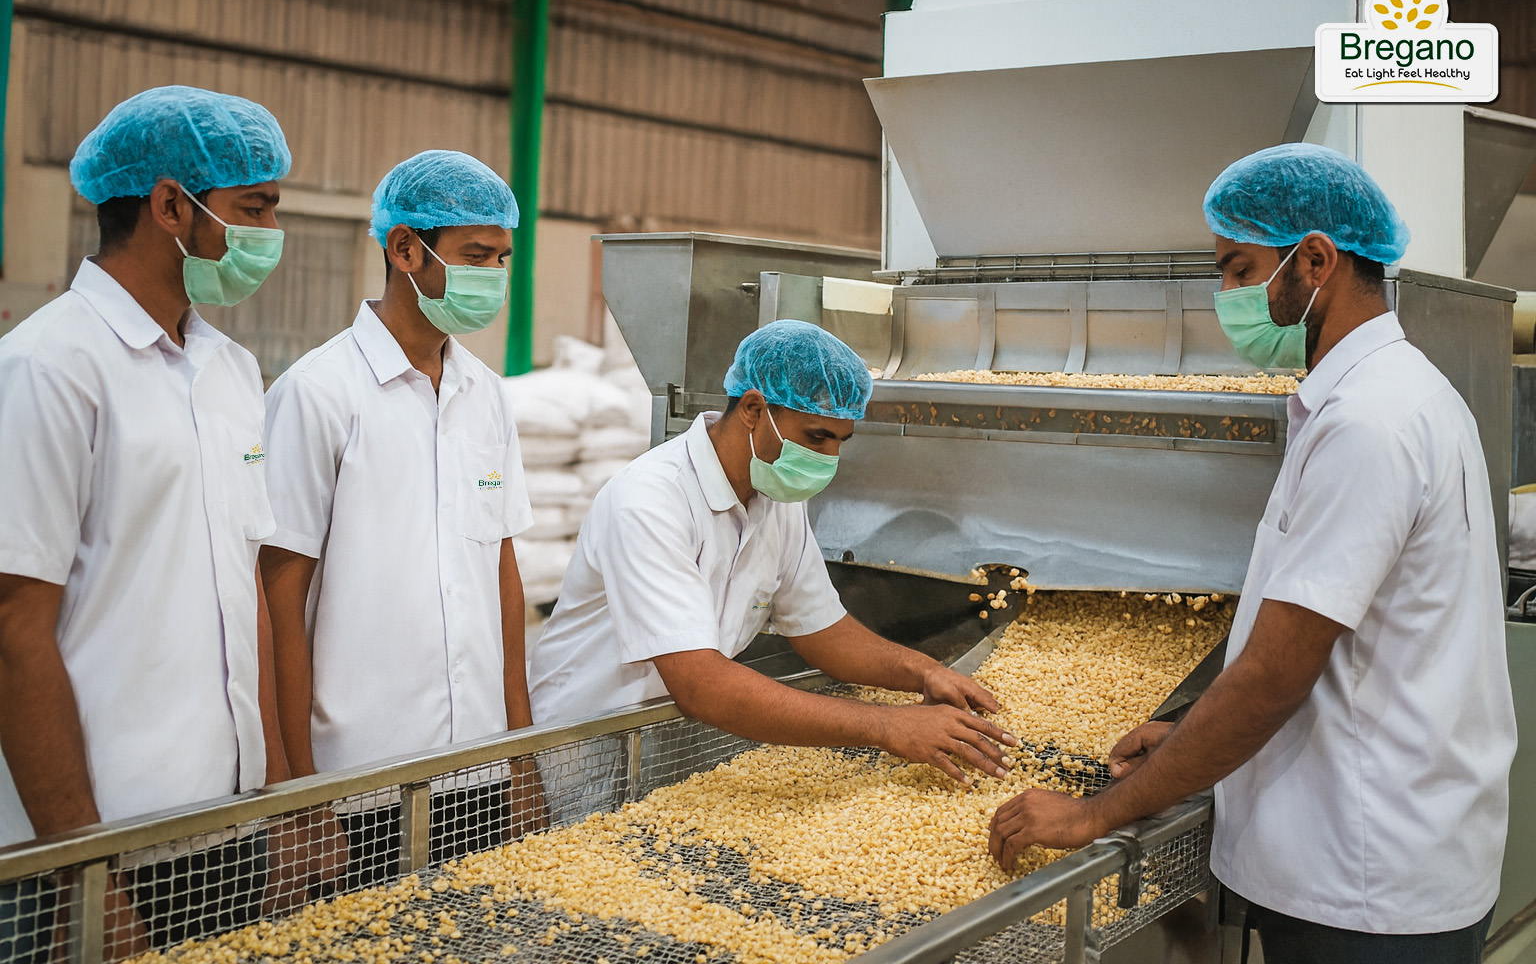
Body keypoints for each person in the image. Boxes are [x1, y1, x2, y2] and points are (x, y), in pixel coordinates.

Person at [987, 143, 1516, 963]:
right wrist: (1196, 734)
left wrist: (1094, 815)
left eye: (1240, 270)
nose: (1227, 297)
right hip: (1390, 853)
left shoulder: (1367, 425)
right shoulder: (1406, 395)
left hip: (1365, 884)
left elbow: (1275, 675)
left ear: (1315, 259)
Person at [0, 86, 302, 959]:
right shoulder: (49, 371)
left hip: (224, 828)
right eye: (255, 209)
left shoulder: (231, 371)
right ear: (172, 204)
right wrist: (83, 874)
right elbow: (15, 629)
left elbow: (245, 588)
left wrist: (277, 802)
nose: (268, 236)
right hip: (93, 850)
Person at [528, 319, 1018, 821]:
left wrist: (926, 673)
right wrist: (888, 727)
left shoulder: (775, 497)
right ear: (754, 409)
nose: (827, 459)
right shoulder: (651, 502)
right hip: (584, 744)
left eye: (840, 442)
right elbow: (702, 685)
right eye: (817, 436)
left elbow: (823, 630)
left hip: (665, 736)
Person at [260, 150, 541, 888]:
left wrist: (521, 751)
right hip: (358, 782)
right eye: (475, 256)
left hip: (474, 775)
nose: (494, 278)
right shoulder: (318, 395)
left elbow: (501, 578)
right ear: (404, 248)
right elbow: (278, 599)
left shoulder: (487, 396)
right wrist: (297, 792)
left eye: (503, 258)